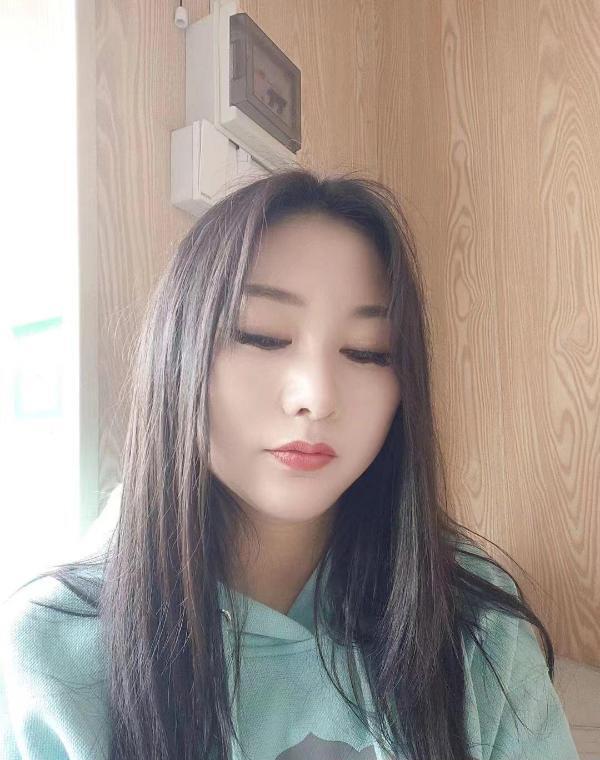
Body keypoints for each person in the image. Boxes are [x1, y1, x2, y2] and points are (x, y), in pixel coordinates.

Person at [0, 168, 580, 760]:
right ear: (178, 353)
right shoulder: (54, 649)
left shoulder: (474, 621)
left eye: (368, 352)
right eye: (262, 336)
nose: (317, 397)